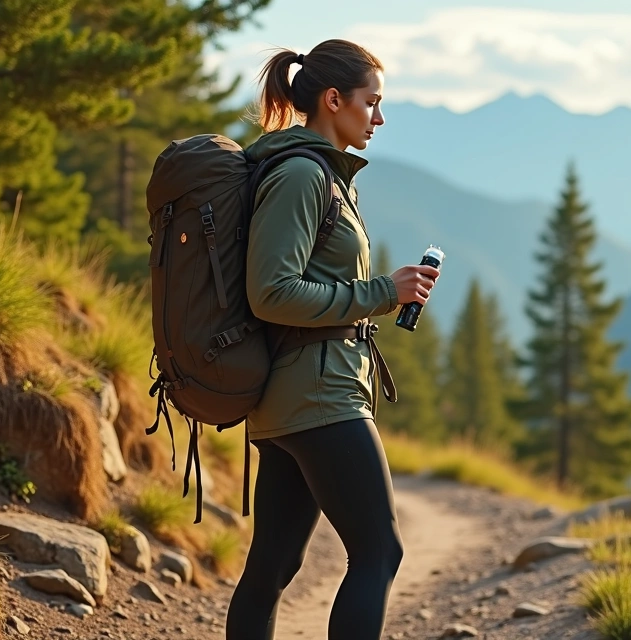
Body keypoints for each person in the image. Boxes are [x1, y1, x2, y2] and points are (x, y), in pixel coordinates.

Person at [225, 39, 440, 640]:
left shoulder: (320, 173)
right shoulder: (301, 175)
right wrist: (381, 292)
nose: (379, 117)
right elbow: (271, 291)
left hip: (298, 395)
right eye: (372, 103)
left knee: (273, 564)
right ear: (333, 99)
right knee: (379, 554)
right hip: (319, 396)